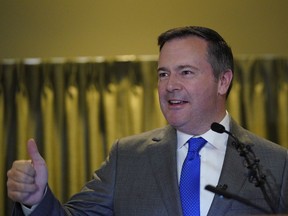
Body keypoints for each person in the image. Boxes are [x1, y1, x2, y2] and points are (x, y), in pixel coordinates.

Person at [7, 26, 288, 216]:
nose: (170, 85)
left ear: (222, 81)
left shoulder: (276, 163)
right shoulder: (126, 157)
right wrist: (35, 199)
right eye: (163, 74)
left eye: (185, 72)